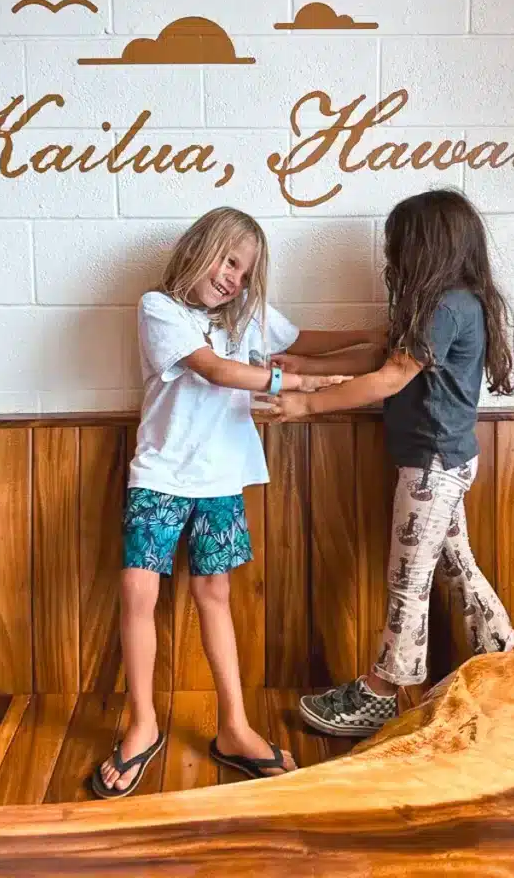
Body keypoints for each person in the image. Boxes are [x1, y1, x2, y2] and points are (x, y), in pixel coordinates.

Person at [93, 206, 381, 797]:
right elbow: (215, 371)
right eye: (229, 261)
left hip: (221, 480)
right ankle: (143, 724)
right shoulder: (160, 309)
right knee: (137, 591)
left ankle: (234, 728)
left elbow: (299, 340)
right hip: (161, 476)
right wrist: (295, 384)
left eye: (245, 272)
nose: (234, 278)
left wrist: (367, 336)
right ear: (200, 249)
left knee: (214, 595)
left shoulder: (247, 316)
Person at [268, 189, 514, 739]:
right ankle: (504, 659)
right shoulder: (443, 306)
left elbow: (388, 378)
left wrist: (307, 401)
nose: (392, 259)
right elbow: (380, 357)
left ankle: (383, 689)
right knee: (456, 565)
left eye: (400, 246)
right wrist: (304, 363)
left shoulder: (447, 305)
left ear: (428, 247)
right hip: (441, 463)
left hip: (432, 468)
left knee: (408, 581)